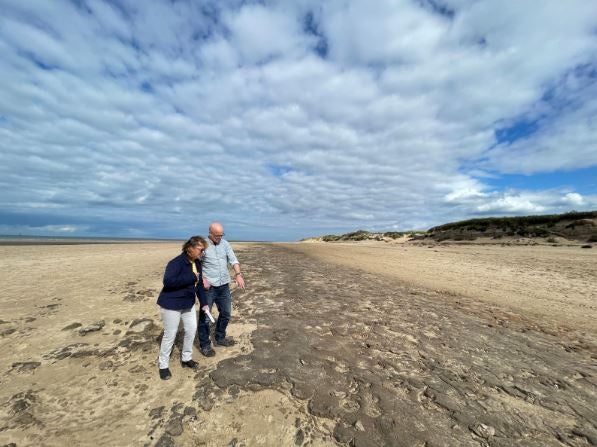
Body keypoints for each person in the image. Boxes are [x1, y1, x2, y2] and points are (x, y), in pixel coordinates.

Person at [156, 236, 208, 380]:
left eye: (203, 250)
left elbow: (200, 287)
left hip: (188, 303)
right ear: (189, 248)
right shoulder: (176, 263)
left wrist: (204, 303)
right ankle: (163, 365)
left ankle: (186, 358)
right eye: (200, 250)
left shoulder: (197, 263)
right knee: (170, 334)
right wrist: (192, 278)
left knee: (191, 330)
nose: (202, 253)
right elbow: (168, 282)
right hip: (171, 304)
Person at [197, 222, 246, 357]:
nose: (219, 238)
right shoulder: (202, 245)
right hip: (209, 288)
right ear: (210, 233)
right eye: (217, 235)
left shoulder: (225, 244)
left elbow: (233, 260)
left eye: (221, 235)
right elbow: (195, 264)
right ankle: (205, 345)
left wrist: (238, 274)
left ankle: (220, 337)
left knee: (226, 313)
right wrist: (202, 279)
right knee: (205, 318)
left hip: (224, 285)